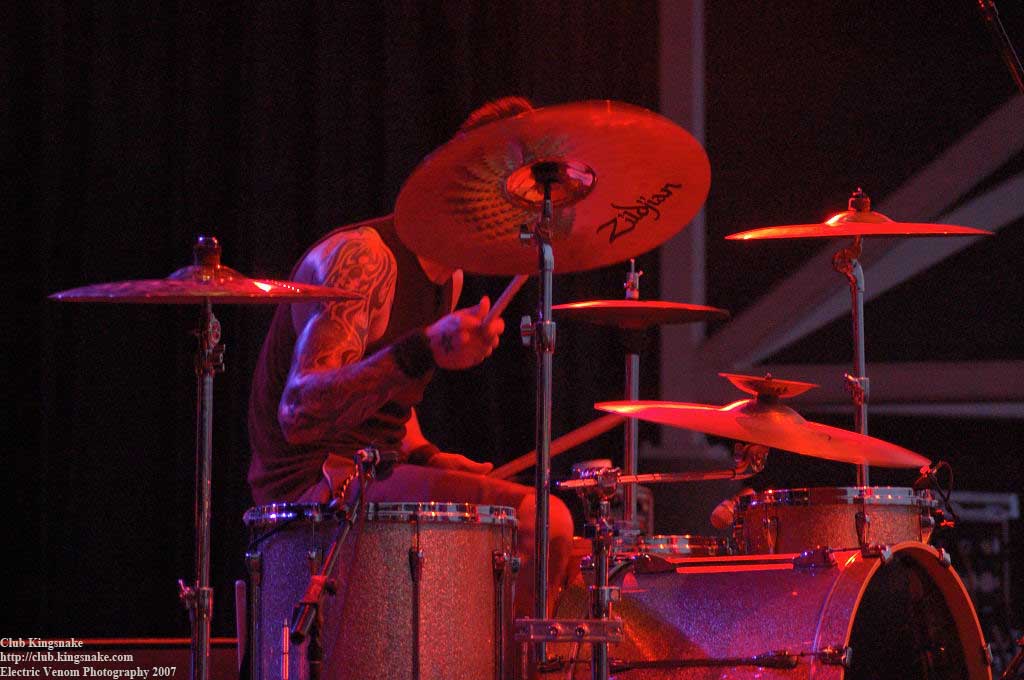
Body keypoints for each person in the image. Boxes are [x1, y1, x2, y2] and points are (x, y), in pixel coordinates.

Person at [247, 97, 574, 617]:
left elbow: (389, 399)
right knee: (544, 521)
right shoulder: (365, 258)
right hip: (315, 484)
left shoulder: (450, 277)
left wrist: (427, 456)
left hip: (372, 471)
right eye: (518, 197)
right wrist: (423, 349)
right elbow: (299, 412)